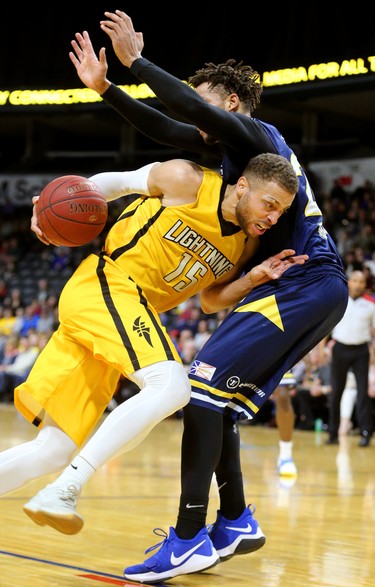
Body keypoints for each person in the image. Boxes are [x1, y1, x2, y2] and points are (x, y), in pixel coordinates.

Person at [62, 13, 349, 583]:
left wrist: (135, 62)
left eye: (205, 103)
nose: (190, 110)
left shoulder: (260, 139)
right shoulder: (232, 159)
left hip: (305, 280)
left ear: (234, 106)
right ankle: (236, 519)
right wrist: (106, 90)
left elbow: (188, 115)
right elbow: (170, 131)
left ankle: (189, 536)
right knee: (216, 402)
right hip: (297, 283)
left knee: (198, 390)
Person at [0, 154, 304, 540]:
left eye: (282, 212)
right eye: (270, 204)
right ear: (243, 186)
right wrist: (44, 208)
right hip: (108, 285)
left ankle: (60, 480)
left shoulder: (245, 245)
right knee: (173, 385)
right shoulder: (187, 180)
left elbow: (209, 301)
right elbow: (110, 186)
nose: (273, 218)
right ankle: (65, 489)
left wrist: (252, 279)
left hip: (120, 316)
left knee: (52, 450)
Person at [326, 270, 375, 446]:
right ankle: (333, 433)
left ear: (365, 285)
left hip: (361, 351)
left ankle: (366, 433)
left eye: (361, 281)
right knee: (336, 391)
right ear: (349, 282)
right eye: (355, 280)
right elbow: (326, 328)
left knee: (363, 393)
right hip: (340, 349)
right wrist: (319, 350)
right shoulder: (339, 301)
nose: (358, 284)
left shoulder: (370, 306)